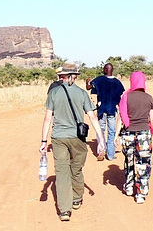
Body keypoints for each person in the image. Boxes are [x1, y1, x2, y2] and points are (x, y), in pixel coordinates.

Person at [40, 63, 106, 221]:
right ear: (75, 76)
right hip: (77, 138)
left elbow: (48, 118)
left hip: (59, 138)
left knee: (62, 173)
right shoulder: (82, 94)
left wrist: (43, 140)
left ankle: (64, 210)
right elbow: (92, 117)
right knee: (76, 169)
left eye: (61, 75)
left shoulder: (54, 93)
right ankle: (76, 199)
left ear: (64, 76)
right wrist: (101, 139)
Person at [114, 71, 153, 204]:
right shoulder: (149, 98)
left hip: (128, 133)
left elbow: (121, 116)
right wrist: (150, 131)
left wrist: (116, 135)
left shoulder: (126, 97)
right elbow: (152, 119)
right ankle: (141, 194)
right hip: (144, 133)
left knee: (129, 160)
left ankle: (130, 187)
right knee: (143, 163)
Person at [86, 63, 124, 161]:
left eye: (104, 69)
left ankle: (101, 150)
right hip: (112, 110)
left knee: (100, 130)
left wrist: (87, 82)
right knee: (111, 132)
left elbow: (89, 87)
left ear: (106, 70)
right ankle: (110, 155)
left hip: (101, 109)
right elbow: (120, 97)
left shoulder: (99, 80)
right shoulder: (117, 82)